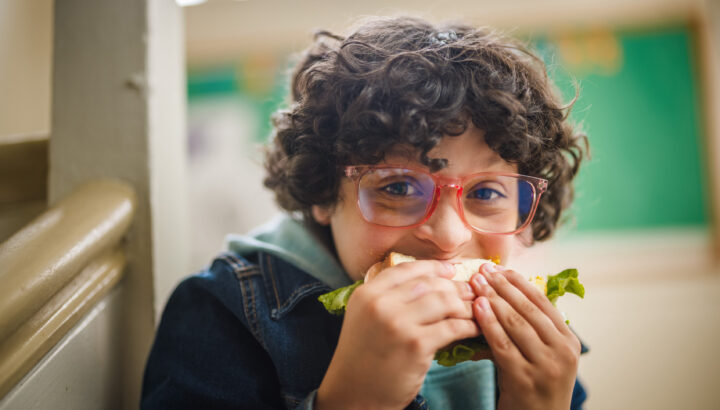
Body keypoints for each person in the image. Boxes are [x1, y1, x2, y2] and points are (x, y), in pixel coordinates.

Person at [141, 16, 589, 410]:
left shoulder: (537, 348)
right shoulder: (220, 312)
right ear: (322, 192)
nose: (450, 237)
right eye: (397, 187)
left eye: (488, 193)